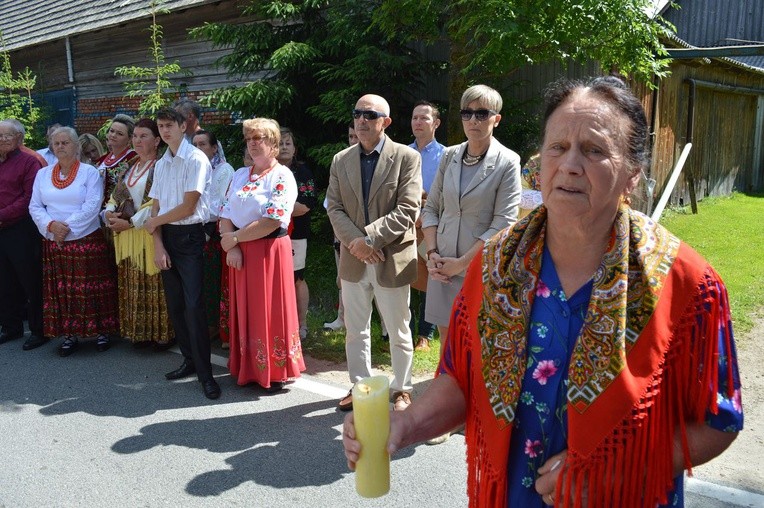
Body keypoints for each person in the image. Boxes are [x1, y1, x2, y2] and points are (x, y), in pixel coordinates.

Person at [342, 76, 743, 507]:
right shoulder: (495, 266)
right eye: (558, 147)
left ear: (632, 174)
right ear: (540, 162)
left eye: (594, 150)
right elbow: (461, 380)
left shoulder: (686, 285)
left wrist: (619, 468)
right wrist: (406, 424)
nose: (570, 164)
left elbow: (717, 422)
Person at [327, 94, 422, 412]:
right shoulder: (341, 160)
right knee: (355, 330)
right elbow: (335, 208)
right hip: (354, 259)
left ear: (387, 121)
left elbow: (408, 209)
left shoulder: (407, 158)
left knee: (398, 328)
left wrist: (370, 240)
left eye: (370, 114)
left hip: (391, 257)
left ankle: (402, 389)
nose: (362, 120)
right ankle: (360, 386)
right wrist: (358, 243)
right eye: (357, 114)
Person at [422, 85, 521, 359]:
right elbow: (431, 209)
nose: (473, 120)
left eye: (482, 113)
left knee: (475, 344)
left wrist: (462, 263)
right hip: (441, 265)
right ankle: (445, 397)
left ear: (496, 119)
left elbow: (503, 223)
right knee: (446, 344)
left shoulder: (508, 161)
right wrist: (432, 254)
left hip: (479, 267)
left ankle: (471, 400)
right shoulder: (450, 155)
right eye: (467, 113)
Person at [219, 118, 306, 393]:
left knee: (267, 310)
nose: (254, 144)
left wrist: (234, 238)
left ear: (274, 143)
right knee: (246, 308)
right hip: (240, 252)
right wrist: (232, 246)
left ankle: (274, 368)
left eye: (260, 138)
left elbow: (272, 220)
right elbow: (224, 212)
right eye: (249, 139)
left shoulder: (283, 176)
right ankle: (249, 366)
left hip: (269, 252)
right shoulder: (240, 175)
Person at [145, 108, 219, 400]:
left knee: (193, 305)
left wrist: (155, 223)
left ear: (183, 126)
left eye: (169, 125)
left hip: (189, 237)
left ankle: (206, 375)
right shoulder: (162, 162)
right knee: (176, 305)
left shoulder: (196, 159)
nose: (164, 131)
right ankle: (189, 361)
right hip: (168, 236)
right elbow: (156, 206)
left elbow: (189, 207)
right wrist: (157, 244)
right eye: (160, 126)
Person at [28, 126, 119, 356]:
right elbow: (35, 206)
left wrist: (65, 227)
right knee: (62, 290)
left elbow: (92, 204)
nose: (60, 146)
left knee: (91, 287)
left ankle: (101, 332)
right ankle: (69, 335)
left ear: (76, 146)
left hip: (84, 237)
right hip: (54, 240)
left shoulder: (89, 172)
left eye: (65, 142)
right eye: (56, 143)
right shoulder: (43, 174)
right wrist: (51, 226)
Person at [103, 118, 173, 349]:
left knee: (154, 282)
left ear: (156, 141)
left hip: (151, 233)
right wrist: (110, 213)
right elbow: (116, 195)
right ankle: (140, 333)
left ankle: (161, 333)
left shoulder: (162, 166)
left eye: (144, 136)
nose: (137, 140)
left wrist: (131, 223)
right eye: (135, 136)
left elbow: (157, 203)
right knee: (134, 280)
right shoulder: (131, 166)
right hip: (130, 237)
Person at [0, 119, 46, 351]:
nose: (3, 140)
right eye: (0, 136)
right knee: (4, 281)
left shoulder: (30, 162)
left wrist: (2, 215)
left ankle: (39, 330)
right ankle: (11, 326)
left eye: (8, 135)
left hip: (21, 228)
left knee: (30, 280)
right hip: (1, 230)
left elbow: (29, 199)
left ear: (19, 138)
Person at [408, 100, 446, 352]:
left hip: (432, 226)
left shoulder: (447, 155)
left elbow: (448, 194)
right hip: (405, 225)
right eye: (415, 118)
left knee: (432, 278)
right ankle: (401, 332)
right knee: (405, 276)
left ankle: (425, 334)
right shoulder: (401, 152)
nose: (418, 122)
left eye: (424, 118)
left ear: (436, 123)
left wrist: (425, 200)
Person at [192, 129, 234, 342]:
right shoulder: (195, 169)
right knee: (199, 279)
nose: (199, 149)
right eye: (196, 145)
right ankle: (206, 322)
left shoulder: (224, 170)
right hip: (196, 228)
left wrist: (193, 210)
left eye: (203, 144)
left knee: (212, 279)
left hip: (215, 232)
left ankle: (216, 325)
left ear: (214, 147)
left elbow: (221, 205)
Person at [277, 127, 317, 340]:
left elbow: (307, 204)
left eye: (288, 143)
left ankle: (301, 324)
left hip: (297, 234)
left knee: (296, 278)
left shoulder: (302, 171)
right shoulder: (267, 171)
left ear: (295, 148)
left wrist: (277, 208)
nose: (284, 147)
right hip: (272, 234)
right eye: (280, 143)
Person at [323, 122, 359, 331]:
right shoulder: (341, 162)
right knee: (343, 279)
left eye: (356, 136)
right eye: (350, 137)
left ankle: (384, 329)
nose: (354, 141)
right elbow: (331, 204)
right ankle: (342, 318)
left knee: (379, 283)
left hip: (372, 235)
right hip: (343, 234)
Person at [97, 114, 138, 207]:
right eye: (111, 131)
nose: (113, 135)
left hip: (118, 209)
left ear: (130, 138)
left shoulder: (133, 158)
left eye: (120, 134)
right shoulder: (102, 160)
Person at [174, 98, 227, 164]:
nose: (175, 121)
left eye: (178, 117)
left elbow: (221, 169)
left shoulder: (210, 140)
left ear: (190, 116)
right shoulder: (177, 141)